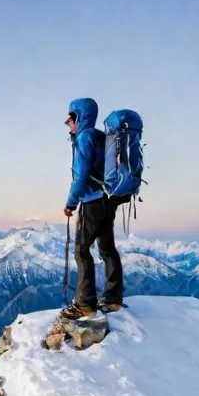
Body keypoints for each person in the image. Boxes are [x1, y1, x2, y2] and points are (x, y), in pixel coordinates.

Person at [60, 97, 123, 319]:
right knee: (107, 249)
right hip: (109, 200)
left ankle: (85, 304)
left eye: (70, 118)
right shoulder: (100, 136)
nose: (68, 123)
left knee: (82, 250)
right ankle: (113, 299)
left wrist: (70, 203)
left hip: (92, 202)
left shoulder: (84, 138)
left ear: (78, 117)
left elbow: (80, 176)